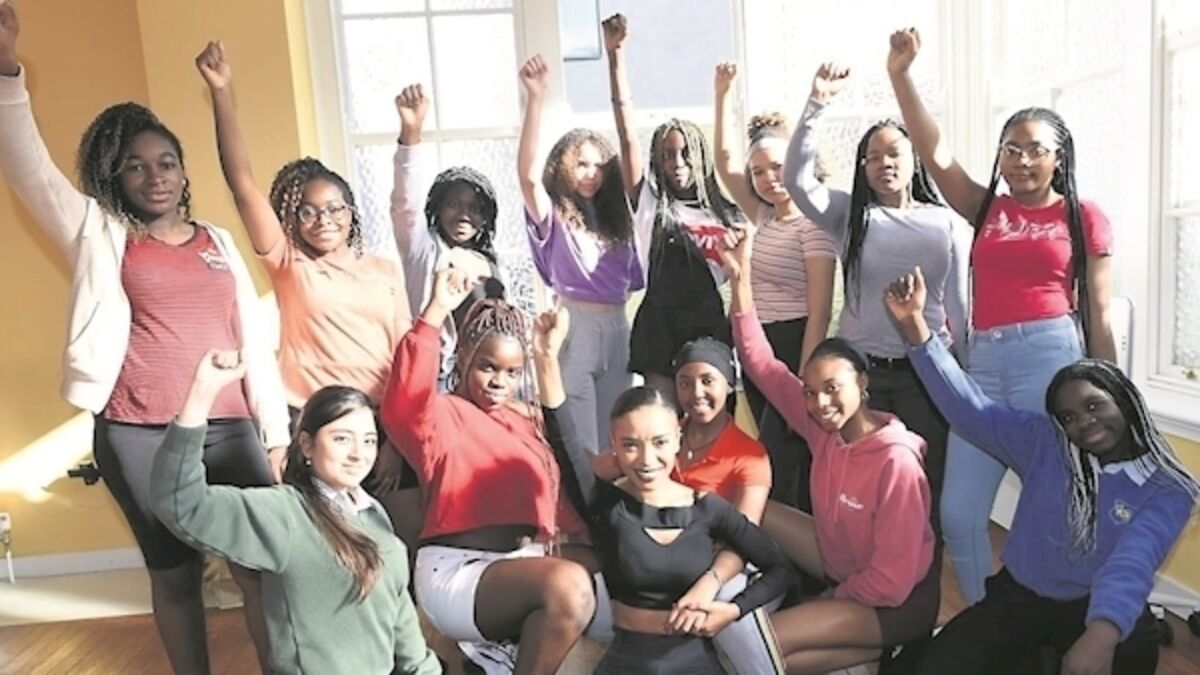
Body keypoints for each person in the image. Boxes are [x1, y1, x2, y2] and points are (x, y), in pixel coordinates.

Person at [0, 7, 287, 672]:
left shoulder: (217, 241)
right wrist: (7, 69)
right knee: (175, 571)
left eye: (166, 162)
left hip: (229, 427)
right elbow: (29, 168)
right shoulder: (98, 233)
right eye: (136, 166)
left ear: (183, 173)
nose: (155, 175)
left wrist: (274, 432)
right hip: (140, 432)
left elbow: (252, 340)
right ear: (114, 177)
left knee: (260, 565)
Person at [888, 27, 1117, 604]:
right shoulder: (985, 207)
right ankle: (983, 621)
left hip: (1052, 360)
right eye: (1010, 150)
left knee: (1059, 505)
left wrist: (1115, 398)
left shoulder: (1082, 214)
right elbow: (934, 151)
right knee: (959, 513)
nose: (1021, 160)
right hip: (984, 365)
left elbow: (1099, 312)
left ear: (1058, 157)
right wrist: (901, 75)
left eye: (1034, 149)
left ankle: (1061, 618)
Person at [884, 266, 1199, 675]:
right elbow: (969, 411)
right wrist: (916, 331)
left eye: (1093, 405)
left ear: (1124, 399)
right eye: (1068, 417)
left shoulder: (1169, 488)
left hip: (1099, 606)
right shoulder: (1048, 443)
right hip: (1020, 597)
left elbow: (1132, 561)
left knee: (1131, 657)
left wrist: (1101, 635)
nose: (1083, 423)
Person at [195, 41, 420, 548]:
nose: (324, 220)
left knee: (401, 548)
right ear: (291, 218)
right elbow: (242, 184)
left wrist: (395, 443)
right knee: (326, 552)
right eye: (308, 211)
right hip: (315, 422)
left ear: (351, 213)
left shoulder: (383, 270)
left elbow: (406, 360)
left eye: (336, 208)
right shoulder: (290, 265)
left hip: (383, 425)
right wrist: (221, 92)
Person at [533, 307, 795, 675]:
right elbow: (566, 443)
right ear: (614, 446)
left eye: (659, 443)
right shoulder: (605, 506)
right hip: (625, 663)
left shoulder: (708, 508)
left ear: (676, 440)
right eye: (630, 445)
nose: (646, 459)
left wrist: (731, 610)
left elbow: (780, 568)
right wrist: (546, 359)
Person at [725, 227, 939, 674]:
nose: (820, 403)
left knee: (757, 644)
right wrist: (741, 279)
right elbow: (760, 362)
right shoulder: (825, 429)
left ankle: (890, 644)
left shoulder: (897, 462)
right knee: (749, 504)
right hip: (841, 563)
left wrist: (829, 599)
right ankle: (868, 655)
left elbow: (891, 582)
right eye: (809, 392)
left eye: (832, 388)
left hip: (894, 602)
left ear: (862, 384)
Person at [150, 351, 440, 675]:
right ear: (307, 445)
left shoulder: (374, 517)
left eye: (369, 441)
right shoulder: (284, 514)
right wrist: (202, 392)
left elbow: (402, 625)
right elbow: (180, 501)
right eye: (342, 439)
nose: (359, 454)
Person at [381, 268, 599, 675]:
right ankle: (501, 652)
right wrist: (434, 313)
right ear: (464, 356)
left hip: (523, 560)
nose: (500, 381)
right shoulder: (442, 415)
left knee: (622, 566)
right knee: (570, 588)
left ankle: (501, 654)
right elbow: (404, 401)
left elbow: (559, 500)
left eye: (512, 372)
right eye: (488, 367)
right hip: (459, 573)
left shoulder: (526, 421)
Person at [784, 61, 969, 516]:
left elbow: (960, 308)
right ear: (863, 167)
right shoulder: (850, 216)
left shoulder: (945, 222)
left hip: (928, 374)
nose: (884, 163)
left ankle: (921, 564)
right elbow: (797, 181)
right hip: (862, 375)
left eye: (894, 154)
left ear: (914, 159)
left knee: (926, 489)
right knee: (859, 489)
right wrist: (816, 105)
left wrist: (968, 376)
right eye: (873, 157)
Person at [590, 337, 781, 673]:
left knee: (729, 603)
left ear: (729, 384)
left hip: (725, 565)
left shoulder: (749, 455)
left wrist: (711, 581)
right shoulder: (656, 431)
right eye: (685, 383)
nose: (696, 393)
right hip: (657, 561)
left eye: (708, 381)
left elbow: (743, 541)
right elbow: (590, 471)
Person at [713, 60, 838, 510]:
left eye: (778, 168)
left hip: (792, 345)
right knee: (775, 455)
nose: (769, 179)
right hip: (755, 346)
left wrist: (805, 383)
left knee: (784, 459)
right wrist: (722, 94)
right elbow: (724, 163)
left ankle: (799, 544)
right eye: (759, 172)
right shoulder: (763, 215)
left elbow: (820, 312)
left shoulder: (814, 224)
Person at [603, 13, 743, 399]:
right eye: (667, 155)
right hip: (660, 325)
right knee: (661, 416)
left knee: (708, 417)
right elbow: (626, 136)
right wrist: (615, 57)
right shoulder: (648, 204)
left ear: (701, 156)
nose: (677, 163)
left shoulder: (729, 214)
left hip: (708, 326)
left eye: (685, 153)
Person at [517, 54, 642, 453]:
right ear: (564, 167)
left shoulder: (620, 217)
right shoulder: (553, 213)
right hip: (575, 325)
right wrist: (536, 98)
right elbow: (527, 177)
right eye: (581, 164)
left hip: (618, 326)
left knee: (616, 440)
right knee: (581, 442)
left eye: (598, 166)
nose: (590, 173)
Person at [391, 82, 505, 391]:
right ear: (437, 209)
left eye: (475, 208)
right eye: (454, 205)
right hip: (438, 380)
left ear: (486, 218)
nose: (464, 215)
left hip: (489, 382)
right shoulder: (422, 248)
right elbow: (406, 203)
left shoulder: (494, 263)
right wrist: (411, 133)